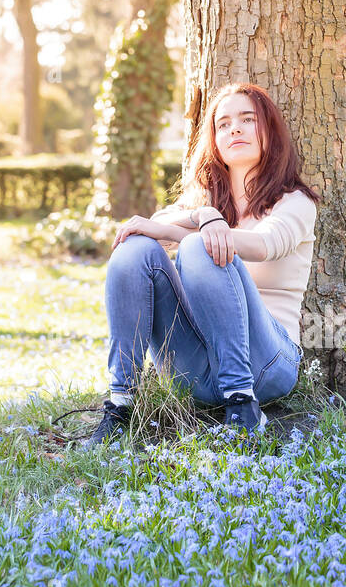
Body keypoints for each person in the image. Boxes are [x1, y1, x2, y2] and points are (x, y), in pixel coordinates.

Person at [82, 82, 321, 447]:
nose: (234, 129)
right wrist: (205, 214)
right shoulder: (205, 200)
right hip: (196, 368)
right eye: (223, 124)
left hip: (268, 362)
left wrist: (203, 230)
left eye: (247, 119)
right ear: (214, 139)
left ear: (270, 131)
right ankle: (121, 403)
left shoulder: (295, 202)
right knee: (134, 248)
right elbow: (153, 229)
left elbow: (263, 245)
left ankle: (243, 405)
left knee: (200, 248)